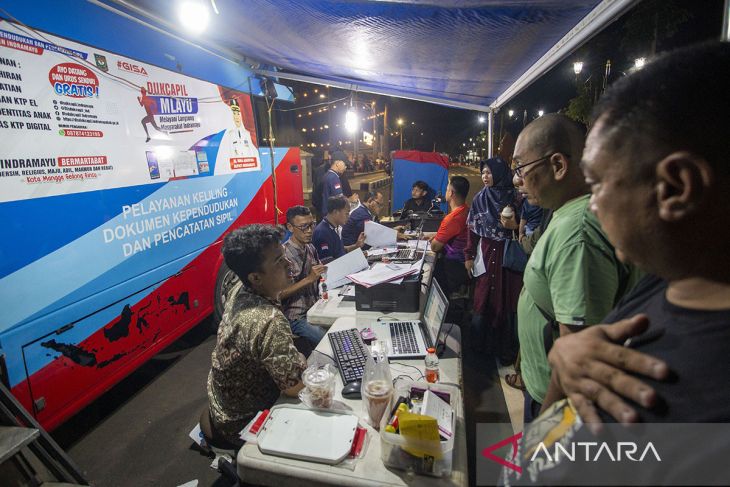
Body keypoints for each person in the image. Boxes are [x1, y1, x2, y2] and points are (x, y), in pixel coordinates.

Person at [503, 41, 730, 486]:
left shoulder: (698, 398)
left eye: (603, 183)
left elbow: (540, 464)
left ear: (677, 187)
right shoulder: (671, 282)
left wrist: (531, 448)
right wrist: (567, 355)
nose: (593, 205)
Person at [511, 113, 641, 424]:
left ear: (558, 165)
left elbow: (579, 358)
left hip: (561, 408)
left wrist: (544, 434)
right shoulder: (567, 213)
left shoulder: (578, 232)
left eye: (520, 167)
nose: (517, 180)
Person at [205, 225, 306, 448]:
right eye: (279, 261)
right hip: (240, 421)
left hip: (221, 403)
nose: (289, 264)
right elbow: (294, 386)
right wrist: (302, 360)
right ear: (256, 277)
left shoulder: (239, 289)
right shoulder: (268, 320)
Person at [464, 157, 523, 365]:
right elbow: (472, 229)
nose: (485, 176)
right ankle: (481, 347)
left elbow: (525, 228)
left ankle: (506, 350)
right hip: (487, 253)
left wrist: (514, 226)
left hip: (509, 255)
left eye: (489, 172)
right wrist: (469, 255)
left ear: (499, 173)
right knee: (483, 298)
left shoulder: (516, 198)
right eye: (483, 173)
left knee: (507, 301)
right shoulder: (480, 198)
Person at [280, 206, 327, 348]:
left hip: (314, 308)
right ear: (290, 227)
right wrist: (309, 279)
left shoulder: (310, 248)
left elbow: (319, 275)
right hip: (295, 317)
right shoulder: (283, 255)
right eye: (303, 227)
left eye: (312, 225)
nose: (309, 231)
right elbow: (279, 294)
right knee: (327, 340)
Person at [427, 176, 470, 297]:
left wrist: (436, 239)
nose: (446, 192)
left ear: (451, 193)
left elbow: (435, 247)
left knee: (427, 273)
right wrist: (438, 235)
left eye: (447, 189)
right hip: (463, 262)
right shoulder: (466, 210)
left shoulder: (451, 218)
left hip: (454, 266)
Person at [313, 196, 366, 262]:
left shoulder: (336, 227)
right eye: (347, 213)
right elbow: (327, 263)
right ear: (335, 212)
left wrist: (356, 246)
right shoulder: (322, 233)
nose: (349, 217)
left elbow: (339, 250)